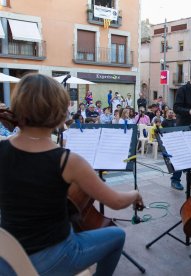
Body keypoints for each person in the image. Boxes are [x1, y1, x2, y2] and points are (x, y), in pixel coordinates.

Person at [0, 73, 144, 276]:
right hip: (51, 259)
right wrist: (135, 194)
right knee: (117, 235)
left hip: (7, 257)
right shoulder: (68, 161)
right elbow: (117, 202)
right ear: (60, 113)